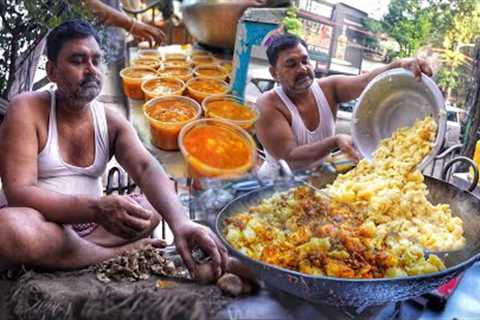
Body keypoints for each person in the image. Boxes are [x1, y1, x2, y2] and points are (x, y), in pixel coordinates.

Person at [0, 20, 227, 280]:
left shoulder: (110, 119)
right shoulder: (27, 109)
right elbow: (20, 193)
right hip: (42, 227)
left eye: (96, 60)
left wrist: (181, 223)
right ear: (52, 71)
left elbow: (146, 168)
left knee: (150, 207)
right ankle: (107, 255)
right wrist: (96, 209)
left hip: (95, 229)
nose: (91, 70)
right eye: (78, 60)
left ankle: (74, 255)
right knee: (9, 229)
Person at [255, 34, 433, 177]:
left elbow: (366, 81)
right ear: (274, 73)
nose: (302, 69)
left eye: (305, 60)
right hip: (274, 188)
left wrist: (401, 63)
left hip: (317, 182)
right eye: (291, 64)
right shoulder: (267, 105)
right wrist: (334, 141)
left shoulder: (328, 88)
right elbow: (290, 158)